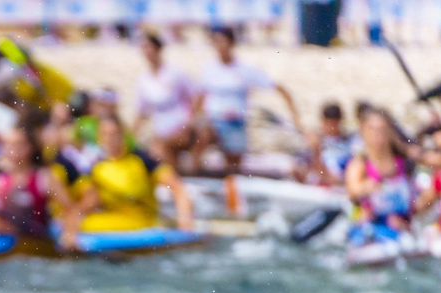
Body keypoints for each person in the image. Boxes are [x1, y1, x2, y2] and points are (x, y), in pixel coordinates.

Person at [61, 115, 195, 241]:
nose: (110, 139)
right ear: (99, 138)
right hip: (115, 220)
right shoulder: (95, 168)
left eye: (114, 134)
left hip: (144, 221)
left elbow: (177, 187)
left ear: (123, 135)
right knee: (76, 223)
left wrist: (185, 222)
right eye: (105, 134)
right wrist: (72, 220)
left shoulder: (142, 160)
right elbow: (90, 201)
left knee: (86, 226)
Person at [195, 26, 300, 175]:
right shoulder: (209, 69)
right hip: (213, 120)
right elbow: (200, 96)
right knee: (201, 137)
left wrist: (295, 116)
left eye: (223, 42)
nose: (220, 46)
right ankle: (195, 172)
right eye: (216, 42)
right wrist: (193, 116)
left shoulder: (244, 69)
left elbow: (279, 88)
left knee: (233, 166)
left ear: (231, 43)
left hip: (235, 122)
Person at [344, 107, 418, 244]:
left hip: (400, 226)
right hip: (370, 228)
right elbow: (352, 192)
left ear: (390, 132)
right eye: (372, 129)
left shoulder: (404, 162)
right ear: (363, 132)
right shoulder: (360, 164)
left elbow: (415, 201)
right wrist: (366, 188)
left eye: (382, 129)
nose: (377, 134)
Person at [134, 32, 205, 171]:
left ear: (158, 49)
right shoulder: (143, 79)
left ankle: (176, 178)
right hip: (162, 130)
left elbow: (197, 96)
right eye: (144, 48)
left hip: (181, 127)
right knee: (158, 152)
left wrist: (190, 122)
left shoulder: (175, 73)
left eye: (149, 47)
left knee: (160, 147)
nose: (147, 52)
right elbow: (141, 112)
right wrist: (130, 136)